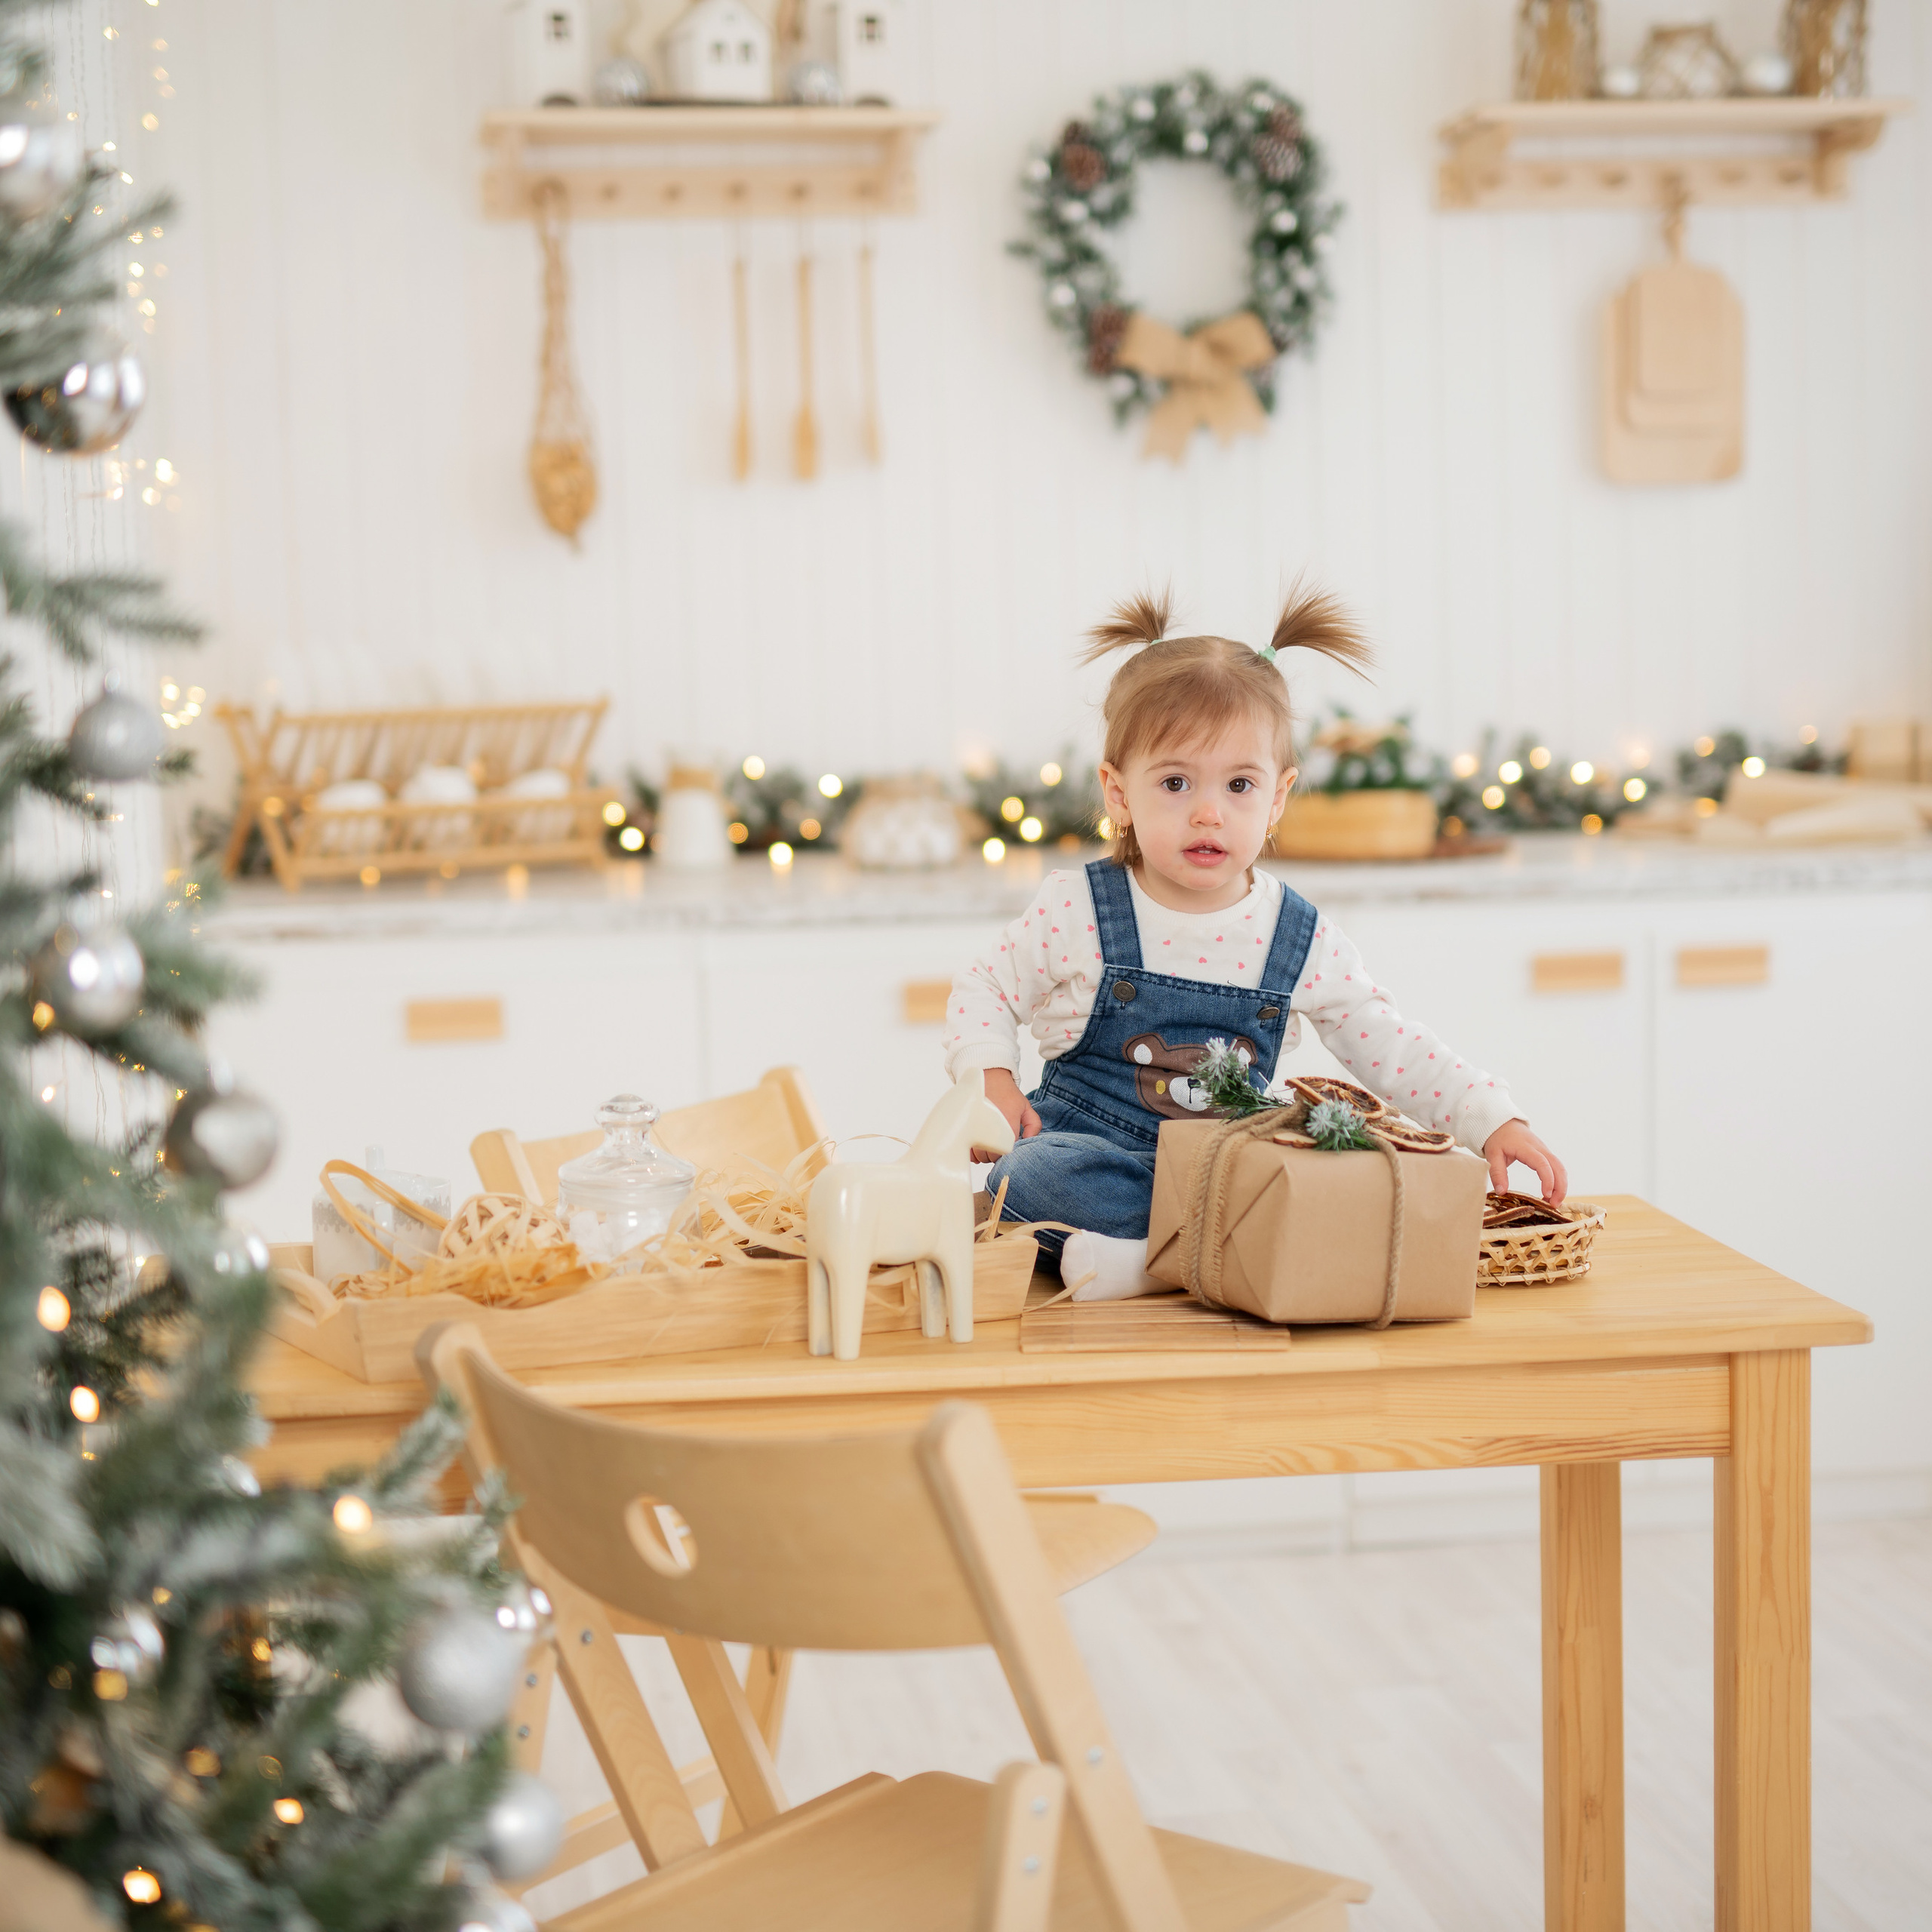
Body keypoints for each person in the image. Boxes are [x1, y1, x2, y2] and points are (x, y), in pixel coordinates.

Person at [943, 586, 1567, 1302]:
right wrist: (989, 1074)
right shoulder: (1079, 907)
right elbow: (985, 987)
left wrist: (1491, 1119)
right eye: (1175, 782)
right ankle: (1183, 1258)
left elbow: (1388, 1041)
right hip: (1097, 1155)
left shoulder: (1295, 936)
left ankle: (1146, 1262)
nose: (1209, 811)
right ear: (1118, 793)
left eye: (1240, 784)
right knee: (1026, 1178)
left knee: (1324, 1184)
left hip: (1227, 1168)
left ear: (1277, 798)